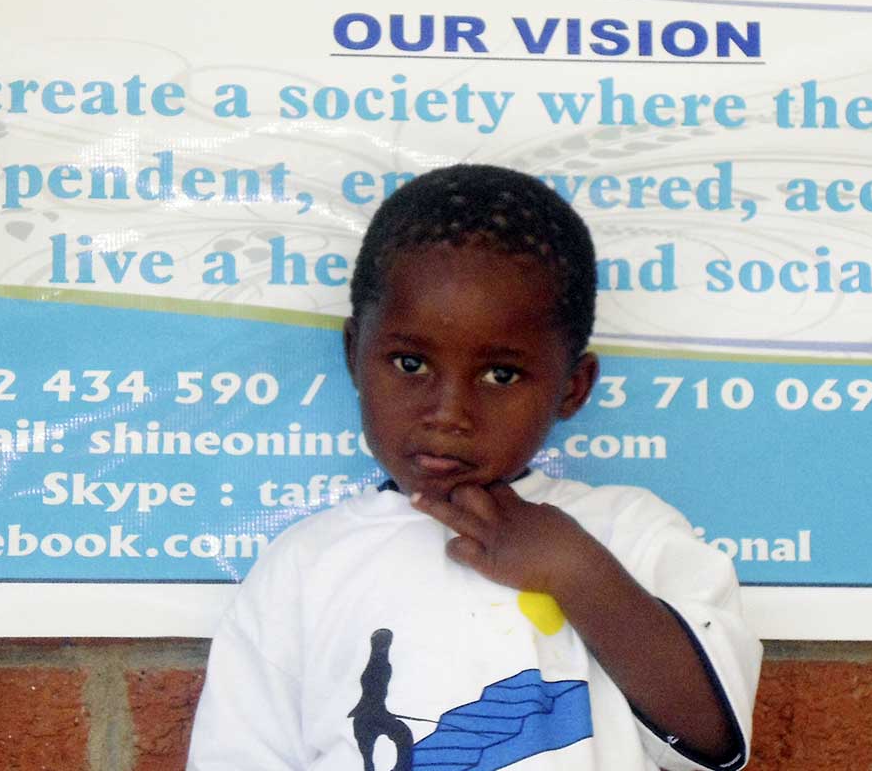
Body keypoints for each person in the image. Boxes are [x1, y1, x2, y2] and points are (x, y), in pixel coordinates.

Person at [187, 164, 760, 771]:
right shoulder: (306, 566)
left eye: (500, 375)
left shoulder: (631, 534)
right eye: (410, 363)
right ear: (355, 354)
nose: (447, 413)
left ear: (572, 387)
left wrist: (577, 571)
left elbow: (714, 741)